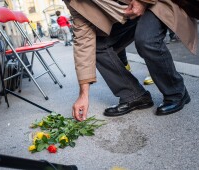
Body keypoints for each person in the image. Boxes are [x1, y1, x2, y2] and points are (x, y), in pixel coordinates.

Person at [63, 0, 198, 121]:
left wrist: (143, 1)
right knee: (96, 47)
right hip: (127, 13)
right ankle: (134, 95)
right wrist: (83, 94)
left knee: (146, 40)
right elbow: (83, 39)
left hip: (154, 3)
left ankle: (176, 92)